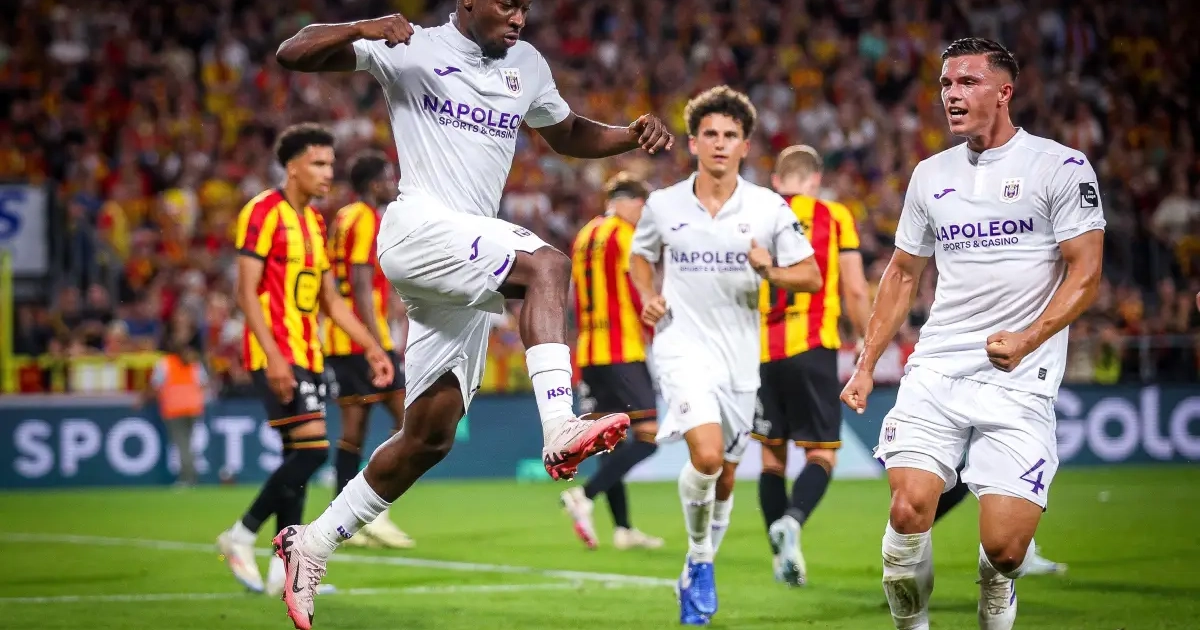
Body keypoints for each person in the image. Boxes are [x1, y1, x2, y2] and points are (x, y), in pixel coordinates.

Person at [270, 3, 672, 627]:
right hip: (419, 229)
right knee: (547, 266)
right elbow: (292, 53)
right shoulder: (412, 47)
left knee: (429, 435)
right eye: (506, 3)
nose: (518, 16)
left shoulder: (527, 65)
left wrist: (628, 135)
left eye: (525, 6)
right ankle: (559, 425)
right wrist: (362, 28)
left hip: (464, 254)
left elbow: (567, 132)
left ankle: (312, 543)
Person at [840, 38, 1105, 630]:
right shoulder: (930, 174)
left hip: (1020, 379)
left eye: (967, 82)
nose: (952, 95)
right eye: (945, 85)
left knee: (1005, 550)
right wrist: (866, 363)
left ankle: (997, 587)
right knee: (908, 511)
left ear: (1004, 91)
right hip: (937, 367)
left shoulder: (1060, 167)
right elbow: (902, 273)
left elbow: (1086, 274)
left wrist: (1029, 338)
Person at [629, 86, 823, 626]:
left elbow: (811, 276)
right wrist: (648, 296)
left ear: (745, 145)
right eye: (709, 134)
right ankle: (698, 560)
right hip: (680, 347)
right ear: (693, 143)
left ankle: (699, 562)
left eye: (730, 135)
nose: (719, 143)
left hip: (740, 360)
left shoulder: (768, 207)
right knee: (708, 457)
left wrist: (769, 271)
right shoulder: (663, 204)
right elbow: (640, 258)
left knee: (727, 479)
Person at [215, 124, 394, 598]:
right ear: (292, 166)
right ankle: (241, 533)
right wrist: (274, 356)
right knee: (313, 451)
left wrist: (371, 346)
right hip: (276, 352)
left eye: (331, 164)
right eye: (318, 163)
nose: (328, 173)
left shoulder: (314, 221)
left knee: (297, 456)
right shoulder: (263, 212)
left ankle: (284, 573)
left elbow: (331, 301)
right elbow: (246, 292)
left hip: (310, 353)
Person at [754, 144, 869, 587]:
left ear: (777, 181)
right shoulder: (834, 216)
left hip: (761, 354)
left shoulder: (756, 217)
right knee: (821, 453)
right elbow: (854, 288)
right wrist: (866, 339)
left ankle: (781, 557)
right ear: (816, 179)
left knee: (771, 456)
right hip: (814, 347)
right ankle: (793, 520)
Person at [560, 172, 663, 551]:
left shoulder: (584, 236)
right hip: (622, 352)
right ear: (633, 203)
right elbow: (638, 292)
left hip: (590, 352)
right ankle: (584, 496)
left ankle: (623, 529)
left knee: (611, 444)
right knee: (648, 436)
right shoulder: (626, 235)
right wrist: (658, 332)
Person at [323, 150, 413, 549]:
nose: (393, 183)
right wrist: (376, 344)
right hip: (362, 339)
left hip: (340, 338)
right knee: (410, 421)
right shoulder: (364, 218)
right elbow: (360, 285)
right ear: (374, 184)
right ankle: (375, 512)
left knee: (353, 433)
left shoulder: (343, 217)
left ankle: (342, 521)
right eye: (388, 177)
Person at [140, 315, 209, 488]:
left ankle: (188, 478)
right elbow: (204, 383)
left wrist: (142, 399)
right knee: (189, 443)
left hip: (174, 409)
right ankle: (190, 476)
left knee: (182, 444)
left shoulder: (165, 363)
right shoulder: (193, 363)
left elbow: (155, 386)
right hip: (193, 408)